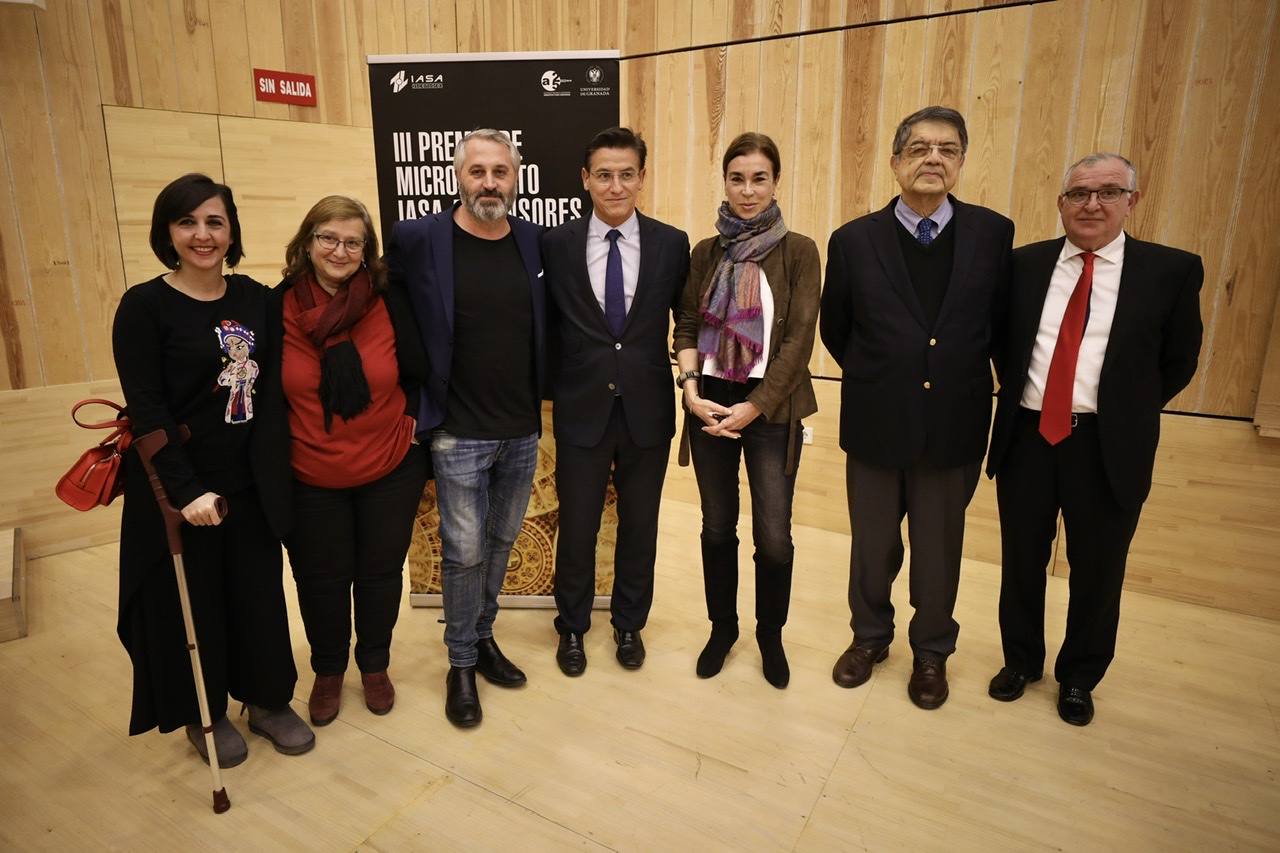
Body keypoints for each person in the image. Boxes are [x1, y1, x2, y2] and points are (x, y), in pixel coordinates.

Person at [985, 153, 1203, 726]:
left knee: (1099, 570)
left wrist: (1126, 411)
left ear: (1132, 201)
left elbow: (1178, 361)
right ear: (1061, 203)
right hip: (1028, 439)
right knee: (1021, 562)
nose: (1092, 204)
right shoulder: (1023, 266)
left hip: (1107, 445)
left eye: (1108, 192)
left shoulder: (1170, 271)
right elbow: (1001, 346)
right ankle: (1021, 662)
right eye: (1079, 193)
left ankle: (1079, 677)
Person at [111, 173, 312, 767]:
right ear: (167, 232)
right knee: (194, 604)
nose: (202, 235)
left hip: (250, 482)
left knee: (257, 596)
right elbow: (147, 410)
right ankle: (206, 712)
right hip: (181, 488)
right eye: (187, 222)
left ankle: (269, 700)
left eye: (215, 222)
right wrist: (186, 489)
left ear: (232, 232)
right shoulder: (144, 307)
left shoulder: (257, 299)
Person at [821, 106, 1014, 709]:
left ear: (960, 163)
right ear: (896, 160)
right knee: (872, 546)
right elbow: (838, 328)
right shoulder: (853, 240)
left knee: (938, 549)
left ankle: (932, 651)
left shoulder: (993, 233)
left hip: (954, 423)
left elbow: (1000, 326)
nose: (934, 158)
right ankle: (870, 638)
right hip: (878, 421)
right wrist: (888, 371)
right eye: (921, 148)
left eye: (948, 149)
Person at [386, 129, 546, 728]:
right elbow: (389, 312)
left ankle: (481, 638)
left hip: (521, 428)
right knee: (464, 551)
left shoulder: (532, 241)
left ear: (515, 177)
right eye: (477, 171)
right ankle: (458, 665)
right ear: (458, 175)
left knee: (502, 544)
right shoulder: (420, 238)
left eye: (499, 172)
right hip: (457, 429)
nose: (488, 182)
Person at [265, 196, 429, 727]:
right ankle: (330, 670)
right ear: (307, 242)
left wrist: (412, 428)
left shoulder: (390, 300)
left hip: (388, 467)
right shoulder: (276, 307)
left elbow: (419, 368)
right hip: (310, 474)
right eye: (328, 238)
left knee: (380, 573)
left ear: (367, 251)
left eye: (353, 241)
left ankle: (375, 665)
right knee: (320, 578)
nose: (340, 249)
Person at [673, 132, 821, 689]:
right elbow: (686, 324)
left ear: (775, 182)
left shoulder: (800, 251)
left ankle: (770, 636)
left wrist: (755, 407)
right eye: (737, 178)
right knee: (716, 527)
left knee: (774, 535)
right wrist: (690, 390)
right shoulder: (706, 253)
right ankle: (722, 628)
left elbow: (799, 343)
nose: (748, 189)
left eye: (759, 178)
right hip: (710, 402)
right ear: (725, 182)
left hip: (772, 411)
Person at [542, 127, 690, 676]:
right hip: (581, 408)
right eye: (603, 174)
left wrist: (693, 379)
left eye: (627, 174)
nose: (615, 184)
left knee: (639, 525)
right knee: (577, 527)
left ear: (642, 178)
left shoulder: (672, 244)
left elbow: (688, 321)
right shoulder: (555, 245)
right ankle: (572, 629)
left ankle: (630, 624)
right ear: (585, 180)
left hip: (647, 411)